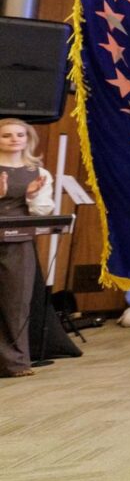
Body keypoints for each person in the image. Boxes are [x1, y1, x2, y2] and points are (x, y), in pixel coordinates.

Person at [0, 118, 52, 379]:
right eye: (7, 135)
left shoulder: (39, 173)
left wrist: (30, 196)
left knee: (16, 302)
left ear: (28, 139)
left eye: (20, 135)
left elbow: (43, 211)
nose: (14, 139)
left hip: (18, 243)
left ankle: (15, 363)